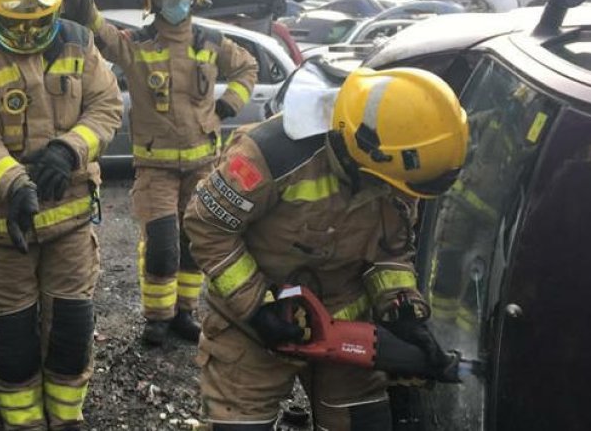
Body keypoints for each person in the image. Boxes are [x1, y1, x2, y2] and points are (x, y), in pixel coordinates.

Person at [183, 67, 468, 431]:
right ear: (362, 154)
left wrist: (402, 308)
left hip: (347, 330)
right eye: (394, 185)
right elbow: (207, 226)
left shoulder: (398, 173)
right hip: (251, 328)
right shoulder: (270, 155)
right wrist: (257, 308)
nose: (401, 195)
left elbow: (390, 254)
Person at [0, 0, 122, 430]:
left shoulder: (80, 43)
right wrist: (15, 184)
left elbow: (107, 108)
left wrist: (69, 149)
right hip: (3, 232)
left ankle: (67, 421)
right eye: (15, 26)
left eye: (38, 25)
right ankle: (22, 425)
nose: (27, 38)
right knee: (15, 340)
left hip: (69, 225)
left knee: (71, 329)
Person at [64, 0, 258, 345]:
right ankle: (156, 318)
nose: (177, 3)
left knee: (192, 246)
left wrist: (227, 105)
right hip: (155, 169)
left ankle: (184, 314)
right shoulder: (138, 45)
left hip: (203, 165)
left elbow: (247, 68)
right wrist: (87, 10)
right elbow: (103, 36)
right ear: (153, 1)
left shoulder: (210, 41)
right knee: (162, 245)